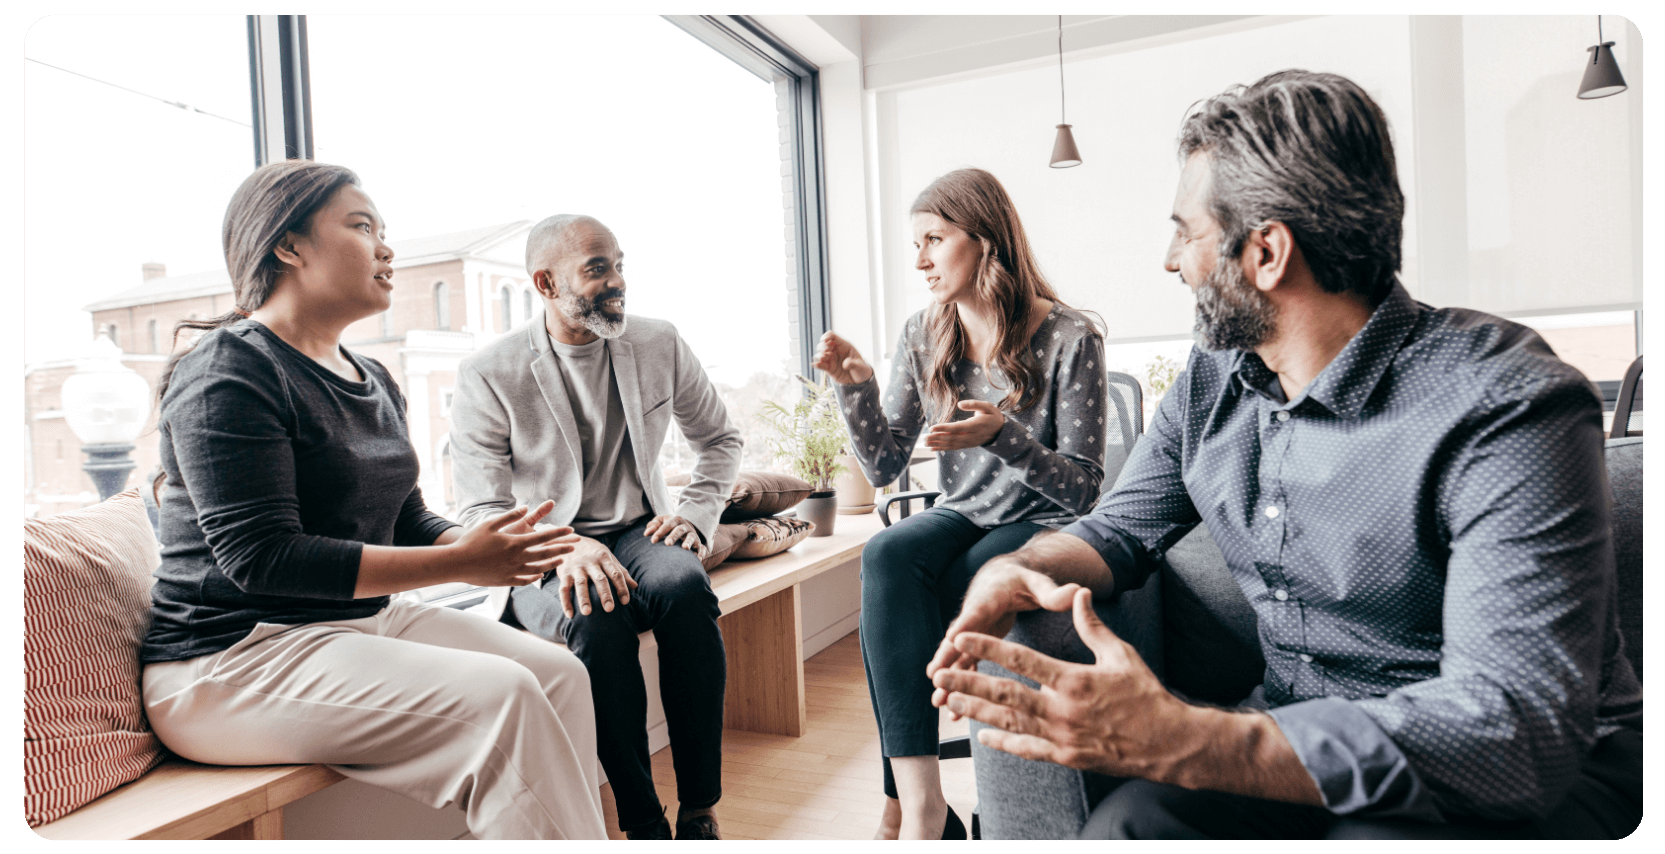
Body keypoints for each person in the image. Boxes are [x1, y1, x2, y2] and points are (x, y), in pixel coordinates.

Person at [928, 70, 1644, 839]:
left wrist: (1181, 738)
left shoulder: (1503, 401)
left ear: (1265, 252)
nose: (1171, 262)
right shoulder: (1211, 381)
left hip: (1518, 775)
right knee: (1127, 829)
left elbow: (1511, 735)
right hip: (1286, 736)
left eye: (1185, 231)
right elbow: (1117, 530)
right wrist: (1021, 565)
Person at [141, 160, 608, 840]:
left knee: (558, 672)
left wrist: (487, 548)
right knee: (502, 699)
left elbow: (406, 517)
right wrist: (461, 566)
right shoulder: (230, 369)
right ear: (288, 246)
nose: (386, 247)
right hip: (228, 660)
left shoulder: (371, 376)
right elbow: (263, 559)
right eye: (362, 227)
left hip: (354, 625)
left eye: (384, 229)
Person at [815, 167, 1108, 840]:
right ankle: (924, 805)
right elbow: (886, 465)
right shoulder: (925, 331)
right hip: (965, 509)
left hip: (1042, 518)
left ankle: (903, 804)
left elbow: (1085, 486)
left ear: (984, 241)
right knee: (887, 551)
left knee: (941, 581)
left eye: (934, 239)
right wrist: (855, 387)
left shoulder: (1069, 336)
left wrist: (1006, 438)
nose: (919, 259)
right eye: (915, 243)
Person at [449, 214, 742, 841]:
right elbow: (477, 509)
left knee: (684, 589)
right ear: (546, 283)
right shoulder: (488, 372)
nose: (617, 283)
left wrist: (694, 513)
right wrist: (565, 545)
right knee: (595, 617)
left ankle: (700, 808)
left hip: (642, 530)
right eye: (597, 268)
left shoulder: (658, 341)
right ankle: (642, 823)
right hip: (543, 551)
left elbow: (719, 438)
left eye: (619, 264)